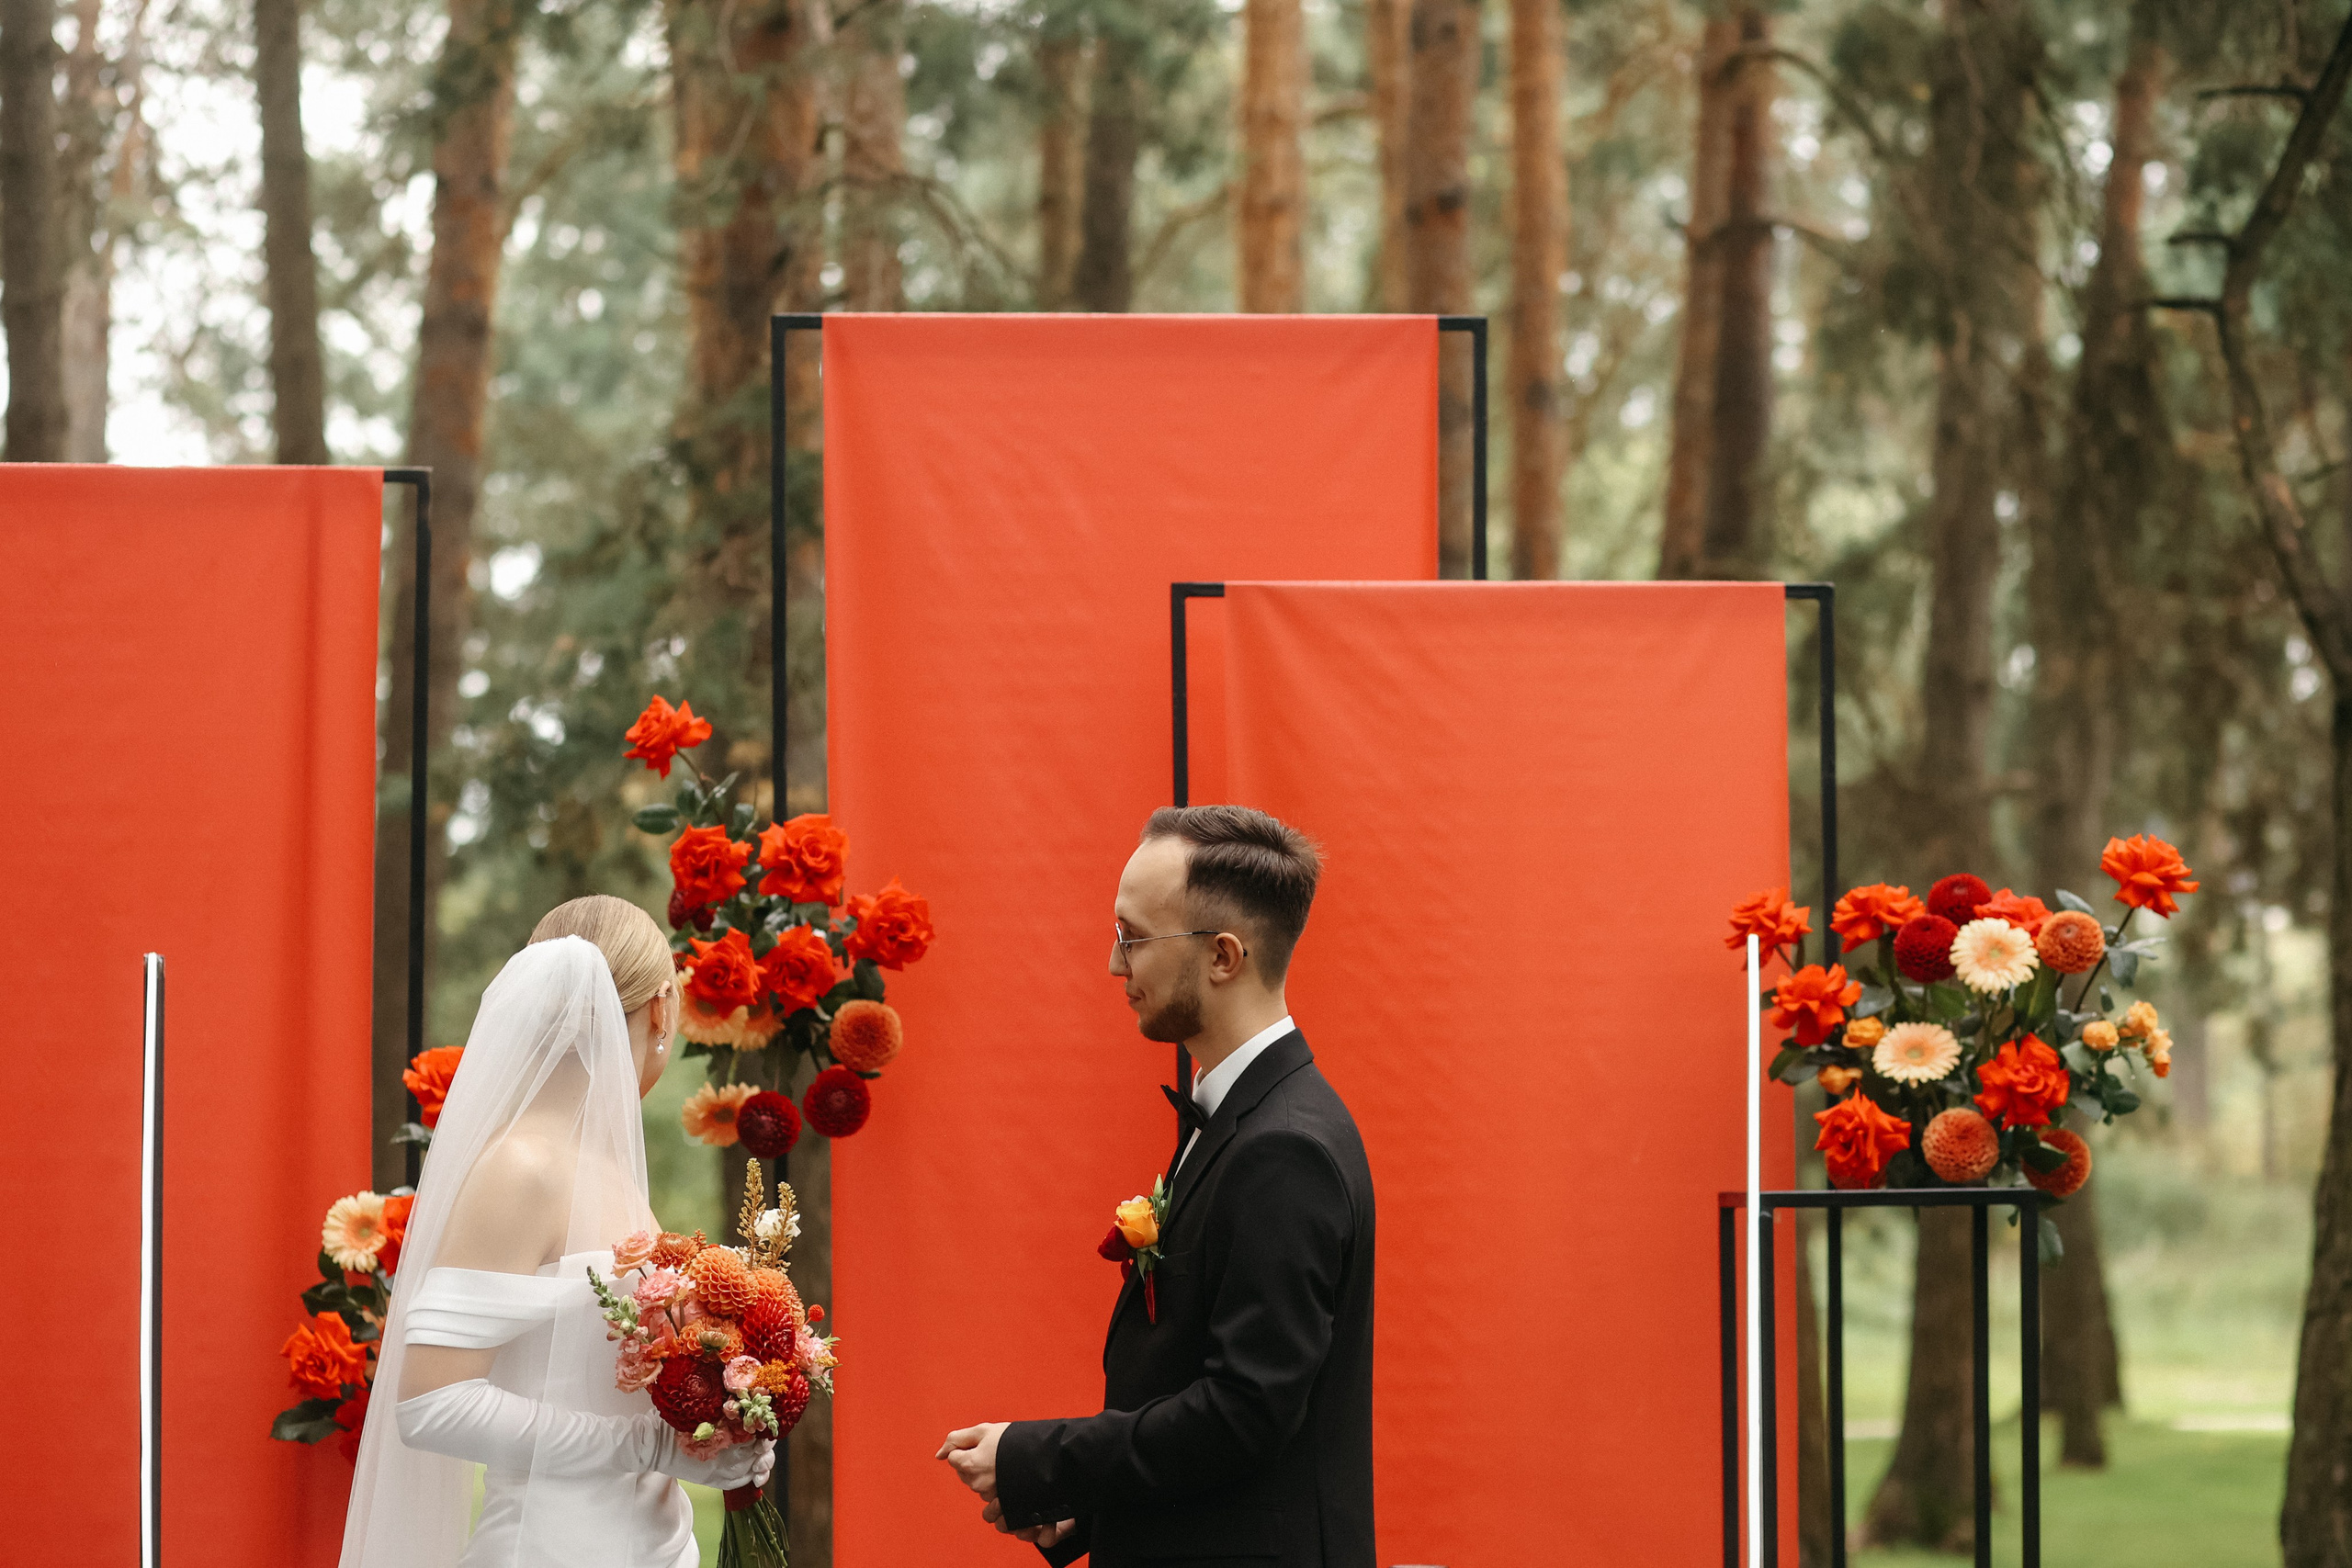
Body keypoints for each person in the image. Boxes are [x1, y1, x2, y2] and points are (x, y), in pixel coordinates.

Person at [937, 806, 1376, 1568]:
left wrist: (1041, 1458)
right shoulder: (1247, 1115)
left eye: (1133, 936)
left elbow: (1244, 1414)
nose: (1116, 964)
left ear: (1223, 955)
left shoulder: (1285, 1150)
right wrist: (1089, 1508)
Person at [340, 895, 774, 1568]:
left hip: (655, 1546)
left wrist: (716, 1429)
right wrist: (646, 1446)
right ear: (662, 1009)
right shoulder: (523, 1166)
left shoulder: (611, 1168)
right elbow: (431, 1404)